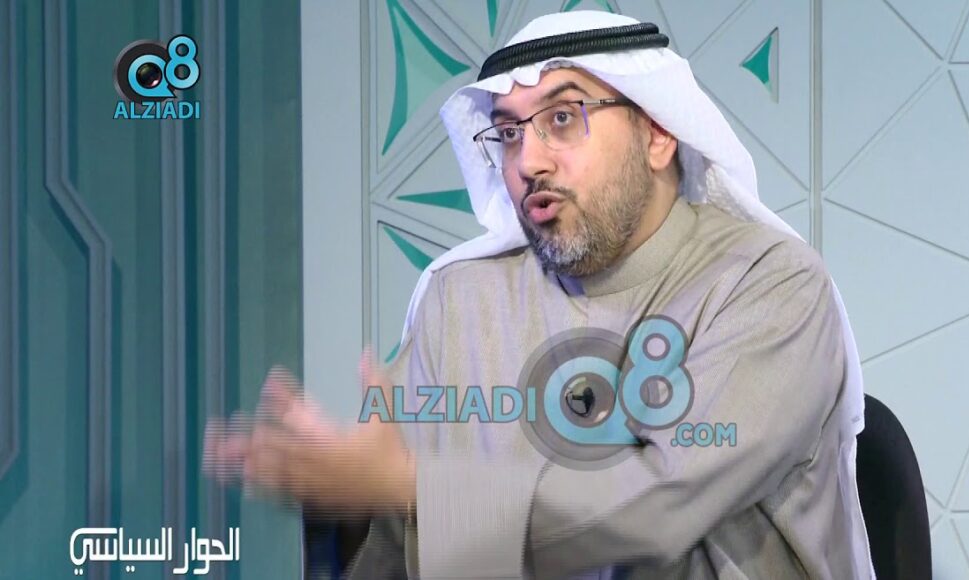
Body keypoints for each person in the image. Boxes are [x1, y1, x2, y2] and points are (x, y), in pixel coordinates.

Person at [204, 10, 875, 580]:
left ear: (658, 133)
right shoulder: (460, 302)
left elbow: (656, 510)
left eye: (562, 118)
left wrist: (412, 489)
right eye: (509, 133)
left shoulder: (769, 284)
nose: (529, 161)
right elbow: (389, 541)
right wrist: (338, 485)